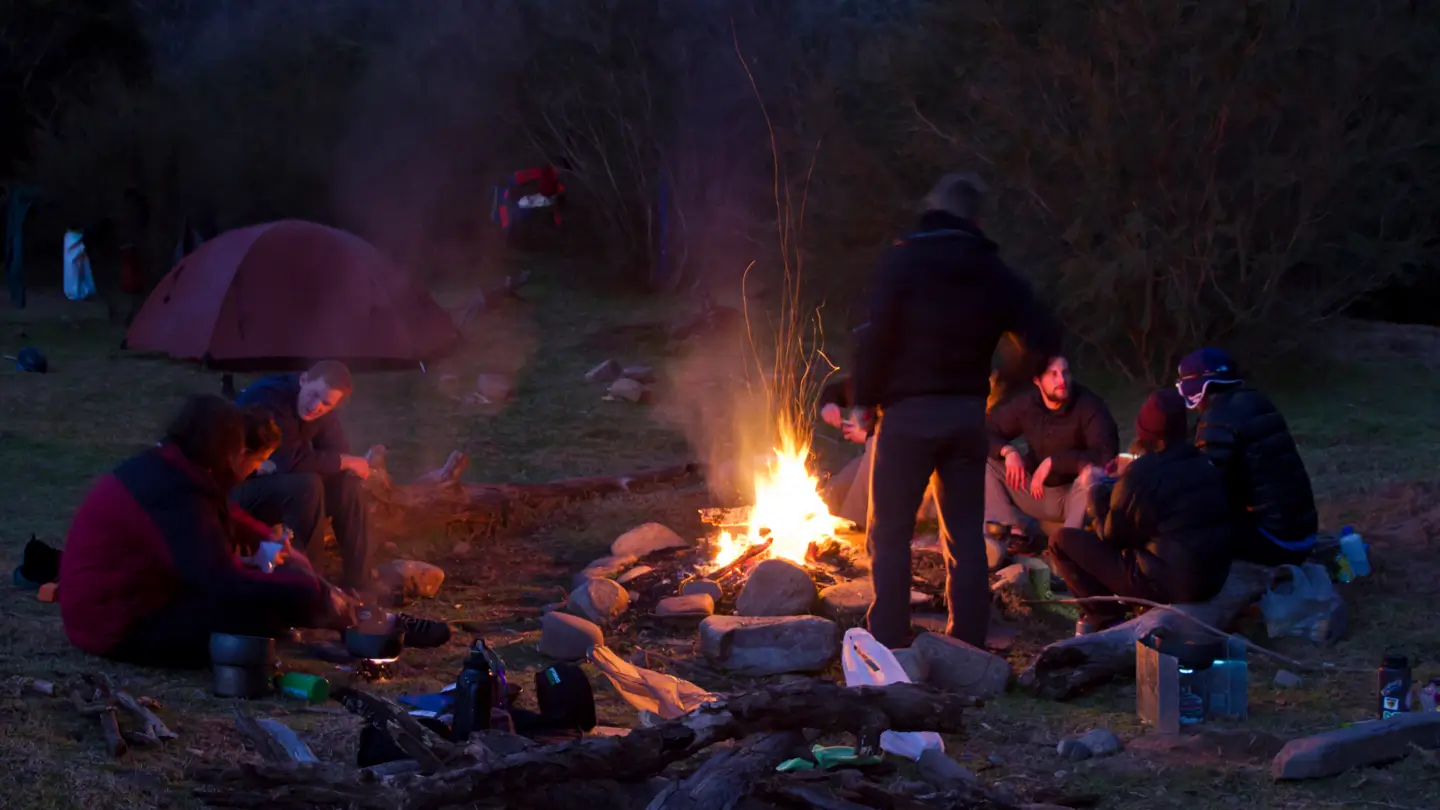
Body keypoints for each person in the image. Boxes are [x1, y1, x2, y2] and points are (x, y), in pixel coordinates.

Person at [852, 172, 1063, 649]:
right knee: (965, 534)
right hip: (966, 414)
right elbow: (1045, 335)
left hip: (906, 415)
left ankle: (888, 637)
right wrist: (1005, 382)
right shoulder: (992, 271)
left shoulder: (901, 262)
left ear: (933, 209)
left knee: (890, 532)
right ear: (976, 218)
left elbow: (875, 337)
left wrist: (865, 401)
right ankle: (967, 640)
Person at [58, 395, 356, 666]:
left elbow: (227, 517)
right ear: (220, 447)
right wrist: (307, 591)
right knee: (254, 616)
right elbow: (221, 580)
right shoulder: (171, 494)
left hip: (125, 604)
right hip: (115, 627)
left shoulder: (171, 469)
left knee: (264, 603)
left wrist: (270, 542)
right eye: (238, 446)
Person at [1046, 389, 1234, 635]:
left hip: (1169, 585)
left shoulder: (1144, 473)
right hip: (1212, 580)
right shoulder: (1203, 462)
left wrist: (1093, 489)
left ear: (1146, 434)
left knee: (1061, 541)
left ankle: (1108, 619)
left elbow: (1112, 537)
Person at [234, 360, 374, 590]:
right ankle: (310, 586)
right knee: (307, 485)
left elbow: (336, 450)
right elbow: (287, 460)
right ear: (303, 380)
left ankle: (360, 585)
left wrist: (345, 463)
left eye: (326, 404)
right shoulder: (270, 398)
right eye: (314, 394)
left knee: (347, 484)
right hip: (238, 490)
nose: (315, 406)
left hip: (275, 483)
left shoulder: (322, 408)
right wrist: (345, 461)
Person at [1177, 348, 1318, 565]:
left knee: (1187, 527)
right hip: (1302, 531)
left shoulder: (1217, 417)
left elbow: (1206, 489)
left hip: (1276, 541)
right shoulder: (1257, 401)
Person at [985, 356, 1120, 542]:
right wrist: (1008, 451)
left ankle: (1069, 546)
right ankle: (1008, 534)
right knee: (986, 461)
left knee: (1092, 475)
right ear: (1037, 381)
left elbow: (1106, 455)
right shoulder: (1027, 403)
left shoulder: (1089, 406)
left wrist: (1055, 462)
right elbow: (986, 430)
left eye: (1065, 373)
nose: (1062, 381)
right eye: (1053, 375)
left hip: (1074, 497)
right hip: (1035, 492)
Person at [819, 374, 937, 528]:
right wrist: (830, 404)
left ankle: (858, 532)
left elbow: (916, 431)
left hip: (919, 466)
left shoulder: (923, 381)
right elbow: (841, 390)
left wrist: (868, 435)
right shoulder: (883, 370)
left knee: (874, 453)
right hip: (881, 450)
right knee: (835, 492)